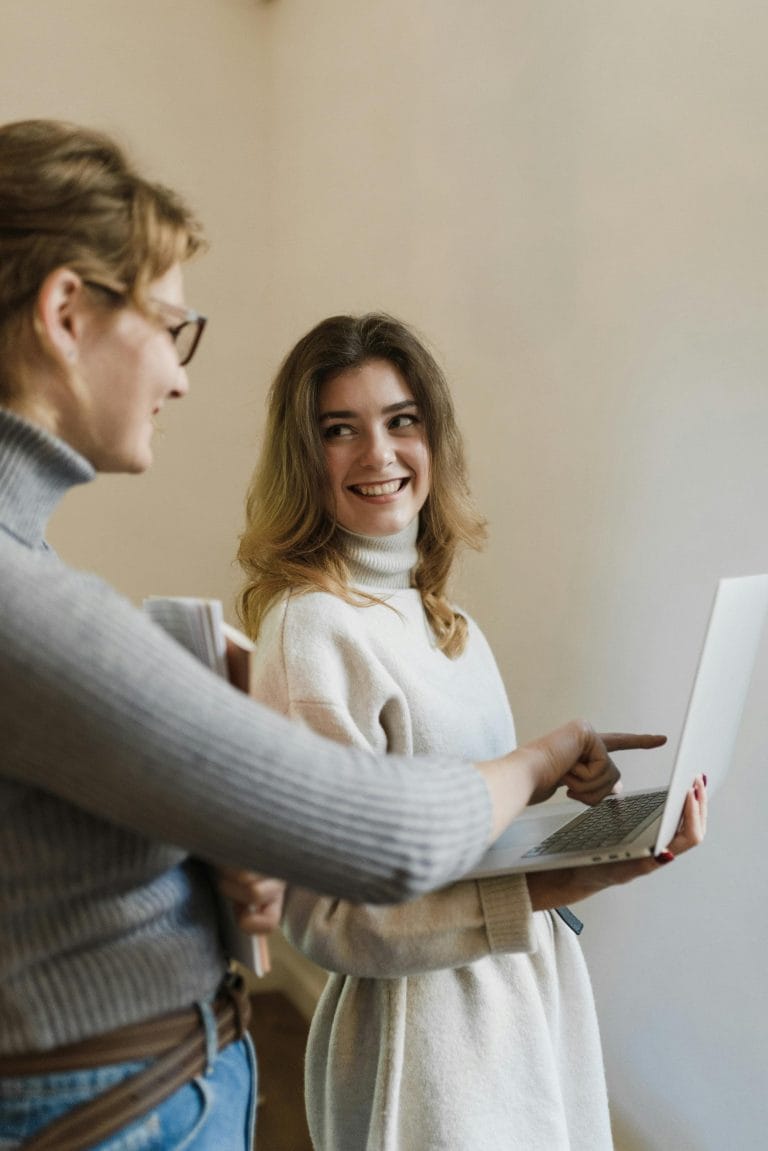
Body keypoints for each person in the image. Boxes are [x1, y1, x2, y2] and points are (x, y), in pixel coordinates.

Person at [0, 120, 660, 1151]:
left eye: (401, 421)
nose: (178, 376)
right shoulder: (28, 598)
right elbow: (378, 842)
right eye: (172, 326)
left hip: (151, 1085)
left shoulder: (34, 574)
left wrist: (211, 811)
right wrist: (533, 766)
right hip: (119, 1107)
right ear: (65, 311)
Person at [236, 313, 707, 1151]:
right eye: (339, 430)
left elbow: (459, 828)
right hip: (426, 1049)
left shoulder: (449, 623)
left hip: (524, 1003)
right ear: (304, 458)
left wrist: (565, 811)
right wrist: (559, 885)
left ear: (434, 437)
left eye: (400, 420)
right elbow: (331, 918)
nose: (377, 454)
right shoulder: (313, 630)